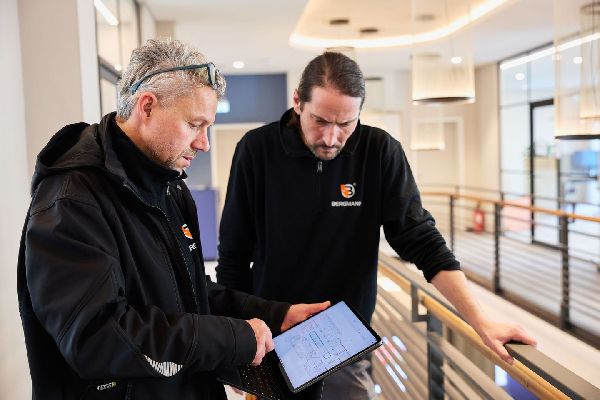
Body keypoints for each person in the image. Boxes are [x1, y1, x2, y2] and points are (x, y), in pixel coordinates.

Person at [17, 39, 330, 400]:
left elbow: (190, 292)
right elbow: (97, 338)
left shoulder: (169, 187)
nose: (204, 143)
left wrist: (276, 315)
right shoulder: (72, 201)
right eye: (195, 124)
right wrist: (232, 339)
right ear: (147, 106)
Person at [216, 51, 537, 399]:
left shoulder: (379, 151)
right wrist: (236, 342)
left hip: (345, 342)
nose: (331, 137)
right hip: (273, 336)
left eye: (346, 123)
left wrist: (480, 320)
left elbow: (421, 240)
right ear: (298, 102)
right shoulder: (256, 150)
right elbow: (234, 254)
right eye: (320, 121)